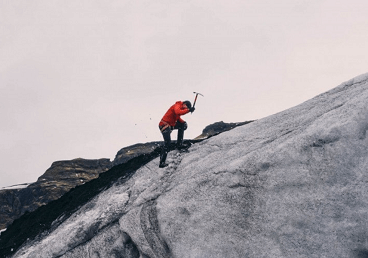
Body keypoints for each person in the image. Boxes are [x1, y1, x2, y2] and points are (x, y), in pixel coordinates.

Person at [158, 100, 195, 168]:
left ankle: (179, 144)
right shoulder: (177, 105)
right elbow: (177, 112)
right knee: (167, 143)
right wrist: (189, 110)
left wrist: (184, 123)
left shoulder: (180, 108)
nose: (185, 109)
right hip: (164, 125)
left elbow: (178, 118)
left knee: (182, 125)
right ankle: (162, 162)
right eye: (186, 107)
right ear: (184, 104)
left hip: (169, 125)